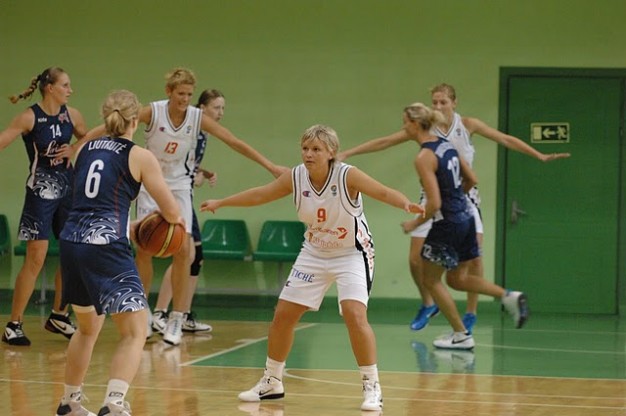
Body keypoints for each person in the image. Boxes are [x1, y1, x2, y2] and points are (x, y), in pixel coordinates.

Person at [200, 124, 423, 411]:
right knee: (283, 315)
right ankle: (272, 381)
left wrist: (406, 204)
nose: (308, 154)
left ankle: (372, 386)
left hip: (351, 253)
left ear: (331, 152)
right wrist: (222, 202)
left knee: (354, 314)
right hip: (315, 252)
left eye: (316, 149)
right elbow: (260, 194)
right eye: (305, 148)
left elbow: (381, 191)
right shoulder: (296, 176)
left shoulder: (347, 175)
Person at [338, 83, 570, 333]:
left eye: (443, 102)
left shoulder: (462, 128)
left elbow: (503, 139)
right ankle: (431, 305)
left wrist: (538, 155)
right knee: (419, 262)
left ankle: (470, 314)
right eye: (434, 102)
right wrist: (347, 153)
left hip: (457, 203)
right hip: (441, 201)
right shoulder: (429, 133)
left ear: (454, 103)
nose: (438, 106)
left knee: (469, 263)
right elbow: (385, 141)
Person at [85, 68, 285, 347]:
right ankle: (142, 313)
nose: (185, 99)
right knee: (144, 249)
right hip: (149, 184)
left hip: (179, 187)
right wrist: (78, 146)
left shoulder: (196, 117)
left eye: (189, 94)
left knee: (184, 251)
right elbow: (111, 124)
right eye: (181, 93)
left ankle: (177, 317)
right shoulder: (153, 112)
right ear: (169, 92)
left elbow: (233, 141)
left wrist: (270, 166)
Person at [54, 89, 183, 416]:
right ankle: (113, 403)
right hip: (106, 247)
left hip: (72, 242)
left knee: (87, 329)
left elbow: (93, 204)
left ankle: (69, 402)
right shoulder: (140, 155)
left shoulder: (84, 149)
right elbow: (172, 212)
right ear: (135, 120)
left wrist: (134, 225)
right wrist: (163, 225)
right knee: (135, 330)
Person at [402, 102, 528, 349]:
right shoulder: (447, 146)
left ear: (416, 124)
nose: (403, 127)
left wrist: (413, 223)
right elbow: (472, 179)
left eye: (405, 122)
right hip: (466, 217)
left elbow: (434, 203)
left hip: (447, 223)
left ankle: (461, 335)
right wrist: (457, 198)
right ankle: (509, 296)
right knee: (458, 278)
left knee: (430, 279)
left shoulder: (424, 157)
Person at [0, 67, 90, 346]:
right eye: (66, 85)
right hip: (40, 192)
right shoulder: (30, 116)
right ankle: (14, 324)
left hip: (68, 191)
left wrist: (74, 148)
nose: (70, 90)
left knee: (71, 255)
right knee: (36, 258)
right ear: (50, 88)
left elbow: (89, 139)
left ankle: (59, 316)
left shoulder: (72, 115)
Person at [151, 89, 224, 334]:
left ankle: (182, 314)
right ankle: (161, 312)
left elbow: (187, 164)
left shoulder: (203, 133)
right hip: (173, 195)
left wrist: (202, 173)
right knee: (187, 254)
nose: (221, 113)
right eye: (216, 108)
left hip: (184, 194)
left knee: (195, 257)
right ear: (202, 109)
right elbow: (172, 160)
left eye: (223, 109)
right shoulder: (191, 129)